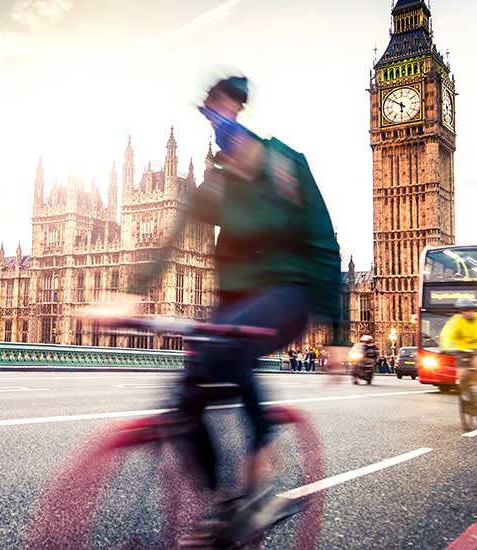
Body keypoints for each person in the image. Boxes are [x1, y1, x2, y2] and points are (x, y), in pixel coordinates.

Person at [110, 75, 341, 543]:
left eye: (225, 115)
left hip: (289, 293)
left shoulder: (285, 165)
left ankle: (263, 462)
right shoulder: (215, 184)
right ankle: (221, 507)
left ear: (240, 113)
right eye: (211, 117)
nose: (219, 127)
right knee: (186, 397)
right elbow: (172, 239)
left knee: (234, 341)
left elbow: (324, 245)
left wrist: (337, 337)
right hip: (235, 300)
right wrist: (132, 292)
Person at [439, 297, 477, 399]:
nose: (467, 313)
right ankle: (465, 392)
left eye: (470, 310)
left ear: (474, 310)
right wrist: (446, 347)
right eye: (464, 310)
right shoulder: (456, 321)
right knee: (462, 373)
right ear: (460, 311)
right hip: (462, 350)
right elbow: (447, 334)